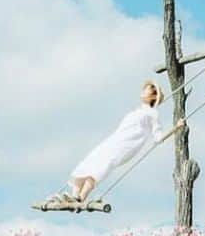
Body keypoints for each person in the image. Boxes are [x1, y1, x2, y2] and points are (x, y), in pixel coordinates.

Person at [44, 80, 183, 208]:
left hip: (125, 145)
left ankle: (81, 198)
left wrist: (176, 127)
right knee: (91, 160)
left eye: (146, 90)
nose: (142, 91)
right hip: (114, 141)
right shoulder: (137, 111)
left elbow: (158, 138)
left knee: (102, 165)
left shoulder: (153, 113)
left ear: (153, 97)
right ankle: (74, 195)